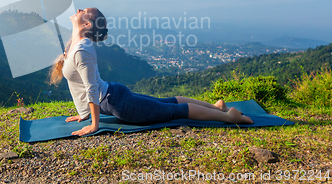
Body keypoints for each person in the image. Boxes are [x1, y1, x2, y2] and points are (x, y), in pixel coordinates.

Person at [49, 8, 253, 136]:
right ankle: (217, 107)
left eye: (84, 10)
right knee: (168, 102)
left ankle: (229, 117)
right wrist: (84, 114)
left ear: (86, 24)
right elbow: (80, 86)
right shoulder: (76, 43)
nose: (79, 9)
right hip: (113, 95)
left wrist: (94, 125)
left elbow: (91, 88)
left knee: (173, 111)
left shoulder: (82, 48)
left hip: (116, 102)